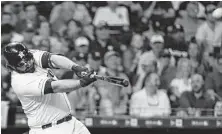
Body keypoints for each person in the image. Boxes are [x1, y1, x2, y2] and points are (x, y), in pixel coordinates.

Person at [3, 42, 96, 134]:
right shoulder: (20, 82)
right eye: (21, 64)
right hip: (49, 129)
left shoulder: (29, 54)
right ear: (11, 67)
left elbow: (52, 59)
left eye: (28, 59)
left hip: (71, 121)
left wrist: (76, 67)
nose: (27, 63)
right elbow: (55, 87)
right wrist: (81, 83)